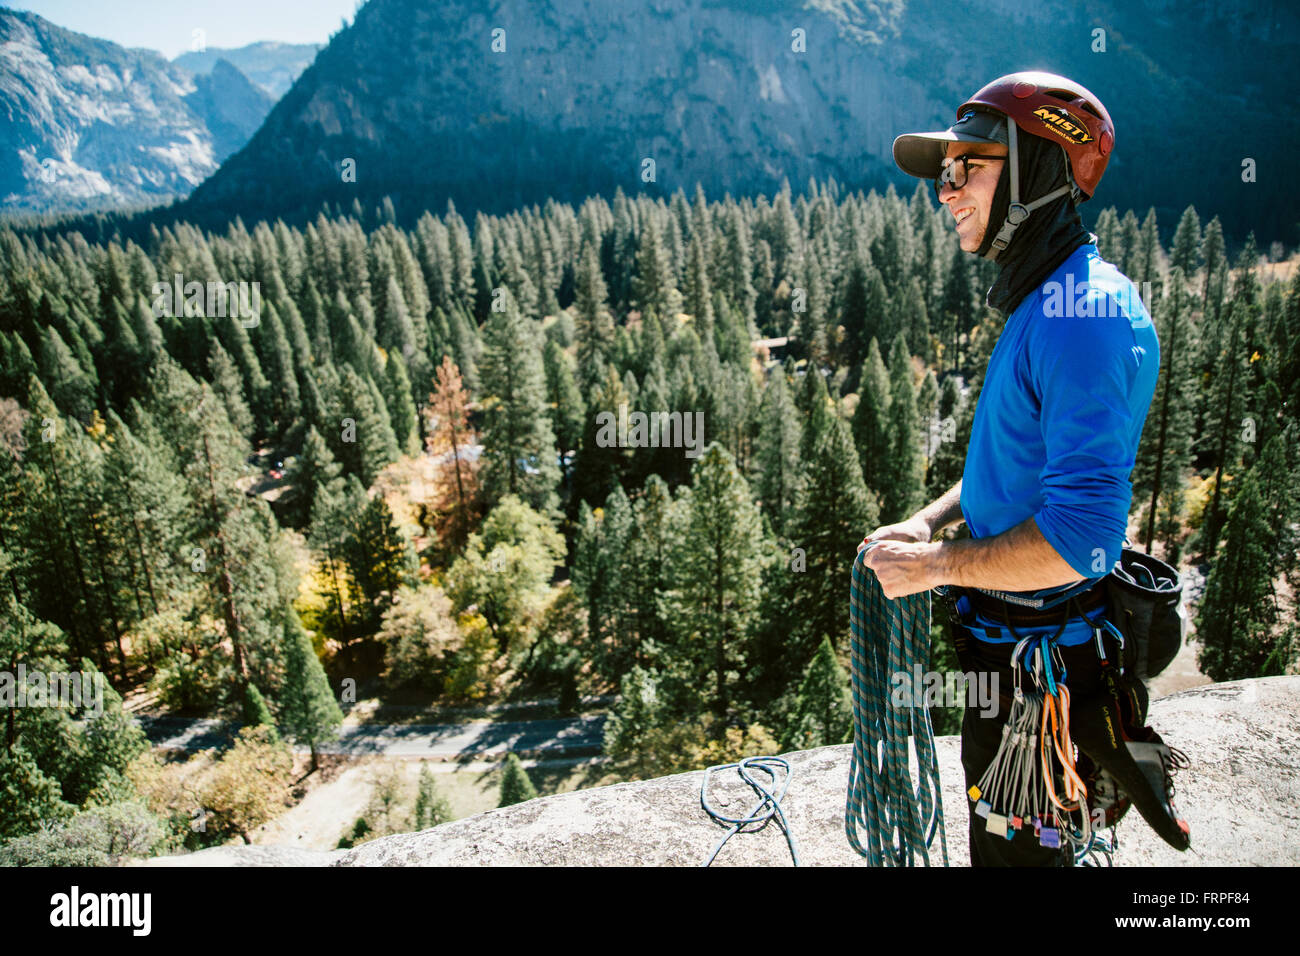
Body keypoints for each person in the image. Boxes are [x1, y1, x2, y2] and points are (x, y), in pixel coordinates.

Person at [858, 71, 1171, 866]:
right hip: (1014, 656)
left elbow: (1080, 541)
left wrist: (932, 568)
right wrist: (932, 523)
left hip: (1040, 676)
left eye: (969, 165)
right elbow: (1017, 468)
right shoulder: (1049, 302)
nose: (946, 189)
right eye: (944, 172)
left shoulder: (1086, 317)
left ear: (1037, 169)